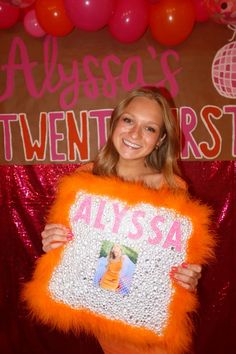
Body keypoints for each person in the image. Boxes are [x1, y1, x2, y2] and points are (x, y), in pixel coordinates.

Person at [41, 87, 202, 354]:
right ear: (115, 122)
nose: (135, 134)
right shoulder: (84, 179)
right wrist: (54, 245)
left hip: (150, 324)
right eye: (128, 120)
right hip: (109, 312)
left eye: (149, 128)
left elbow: (178, 264)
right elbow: (75, 258)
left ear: (161, 139)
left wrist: (187, 278)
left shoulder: (172, 189)